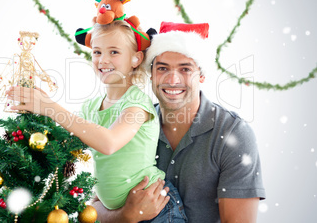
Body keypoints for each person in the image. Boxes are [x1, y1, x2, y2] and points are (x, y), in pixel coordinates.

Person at [6, 20, 187, 222]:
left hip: (157, 207)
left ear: (136, 59)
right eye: (97, 52)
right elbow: (69, 145)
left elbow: (109, 143)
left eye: (114, 52)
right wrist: (36, 119)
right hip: (117, 214)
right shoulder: (90, 107)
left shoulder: (137, 103)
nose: (103, 60)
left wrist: (50, 107)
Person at [92, 22, 266, 223]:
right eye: (163, 68)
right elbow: (97, 204)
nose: (172, 80)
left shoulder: (233, 133)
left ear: (201, 75)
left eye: (185, 69)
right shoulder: (132, 120)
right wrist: (126, 215)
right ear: (151, 74)